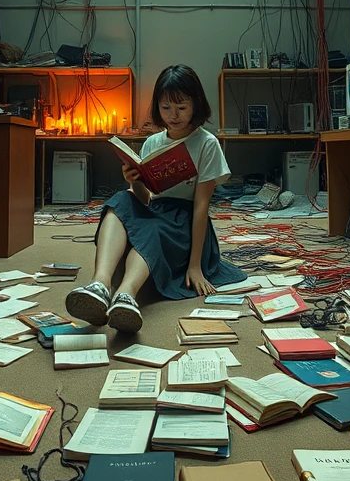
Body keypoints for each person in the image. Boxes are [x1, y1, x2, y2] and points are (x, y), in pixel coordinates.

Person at [65, 64, 247, 333]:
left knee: (151, 228)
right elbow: (146, 200)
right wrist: (134, 181)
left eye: (182, 107)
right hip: (157, 211)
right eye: (166, 108)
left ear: (196, 105)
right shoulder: (152, 143)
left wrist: (195, 266)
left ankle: (126, 294)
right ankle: (100, 285)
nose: (173, 115)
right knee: (120, 199)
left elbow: (201, 206)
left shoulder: (206, 143)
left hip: (185, 221)